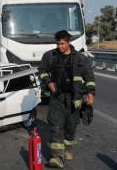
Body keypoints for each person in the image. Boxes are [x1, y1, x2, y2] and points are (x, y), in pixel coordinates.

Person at [38, 30, 96, 168]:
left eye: (62, 44)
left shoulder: (80, 58)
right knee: (56, 125)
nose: (59, 46)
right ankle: (57, 156)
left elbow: (89, 76)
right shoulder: (50, 56)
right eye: (57, 43)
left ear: (68, 42)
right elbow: (42, 70)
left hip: (74, 98)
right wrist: (48, 82)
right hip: (56, 97)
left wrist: (91, 93)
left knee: (71, 126)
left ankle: (67, 149)